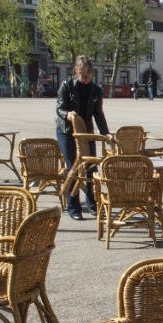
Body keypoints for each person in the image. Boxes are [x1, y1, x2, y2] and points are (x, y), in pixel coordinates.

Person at [55, 55, 109, 221]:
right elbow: (59, 108)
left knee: (91, 167)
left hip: (86, 131)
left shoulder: (96, 90)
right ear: (76, 71)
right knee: (74, 166)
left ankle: (92, 203)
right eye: (81, 72)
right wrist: (67, 114)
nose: (85, 75)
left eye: (88, 73)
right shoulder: (67, 86)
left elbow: (98, 114)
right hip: (67, 131)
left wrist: (105, 132)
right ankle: (73, 206)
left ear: (92, 72)